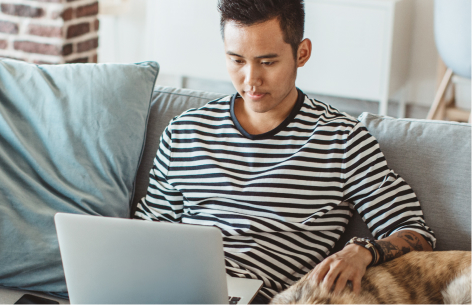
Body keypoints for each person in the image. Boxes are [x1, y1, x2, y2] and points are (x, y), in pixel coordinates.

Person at [134, 0, 436, 303]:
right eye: (237, 60)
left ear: (301, 53)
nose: (251, 79)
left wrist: (362, 252)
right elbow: (147, 234)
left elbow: (416, 233)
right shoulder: (184, 132)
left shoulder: (341, 140)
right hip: (171, 290)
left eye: (267, 62)